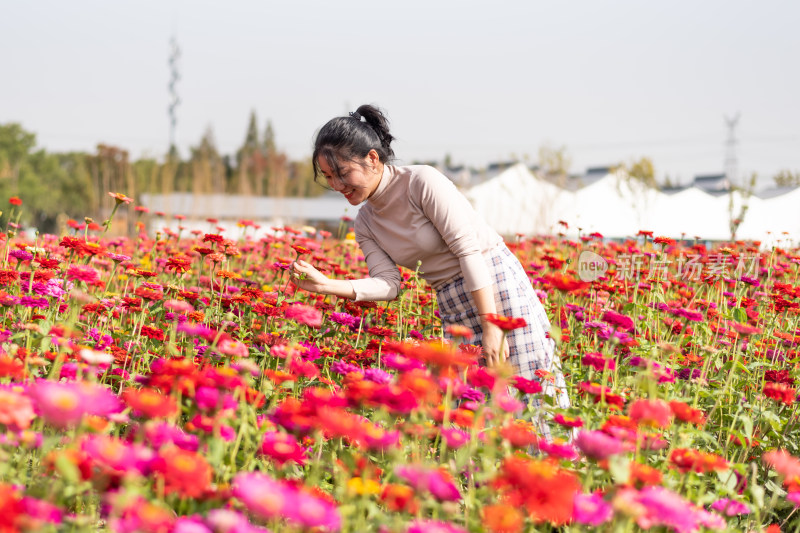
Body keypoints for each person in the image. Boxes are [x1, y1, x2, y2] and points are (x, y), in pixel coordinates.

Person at [290, 104, 570, 432]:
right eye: (328, 176)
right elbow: (389, 284)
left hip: (494, 287)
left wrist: (492, 325)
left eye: (341, 172)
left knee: (534, 397)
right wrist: (327, 285)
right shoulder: (365, 222)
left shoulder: (421, 182)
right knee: (475, 410)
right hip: (451, 301)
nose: (337, 184)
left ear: (372, 158)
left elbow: (468, 250)